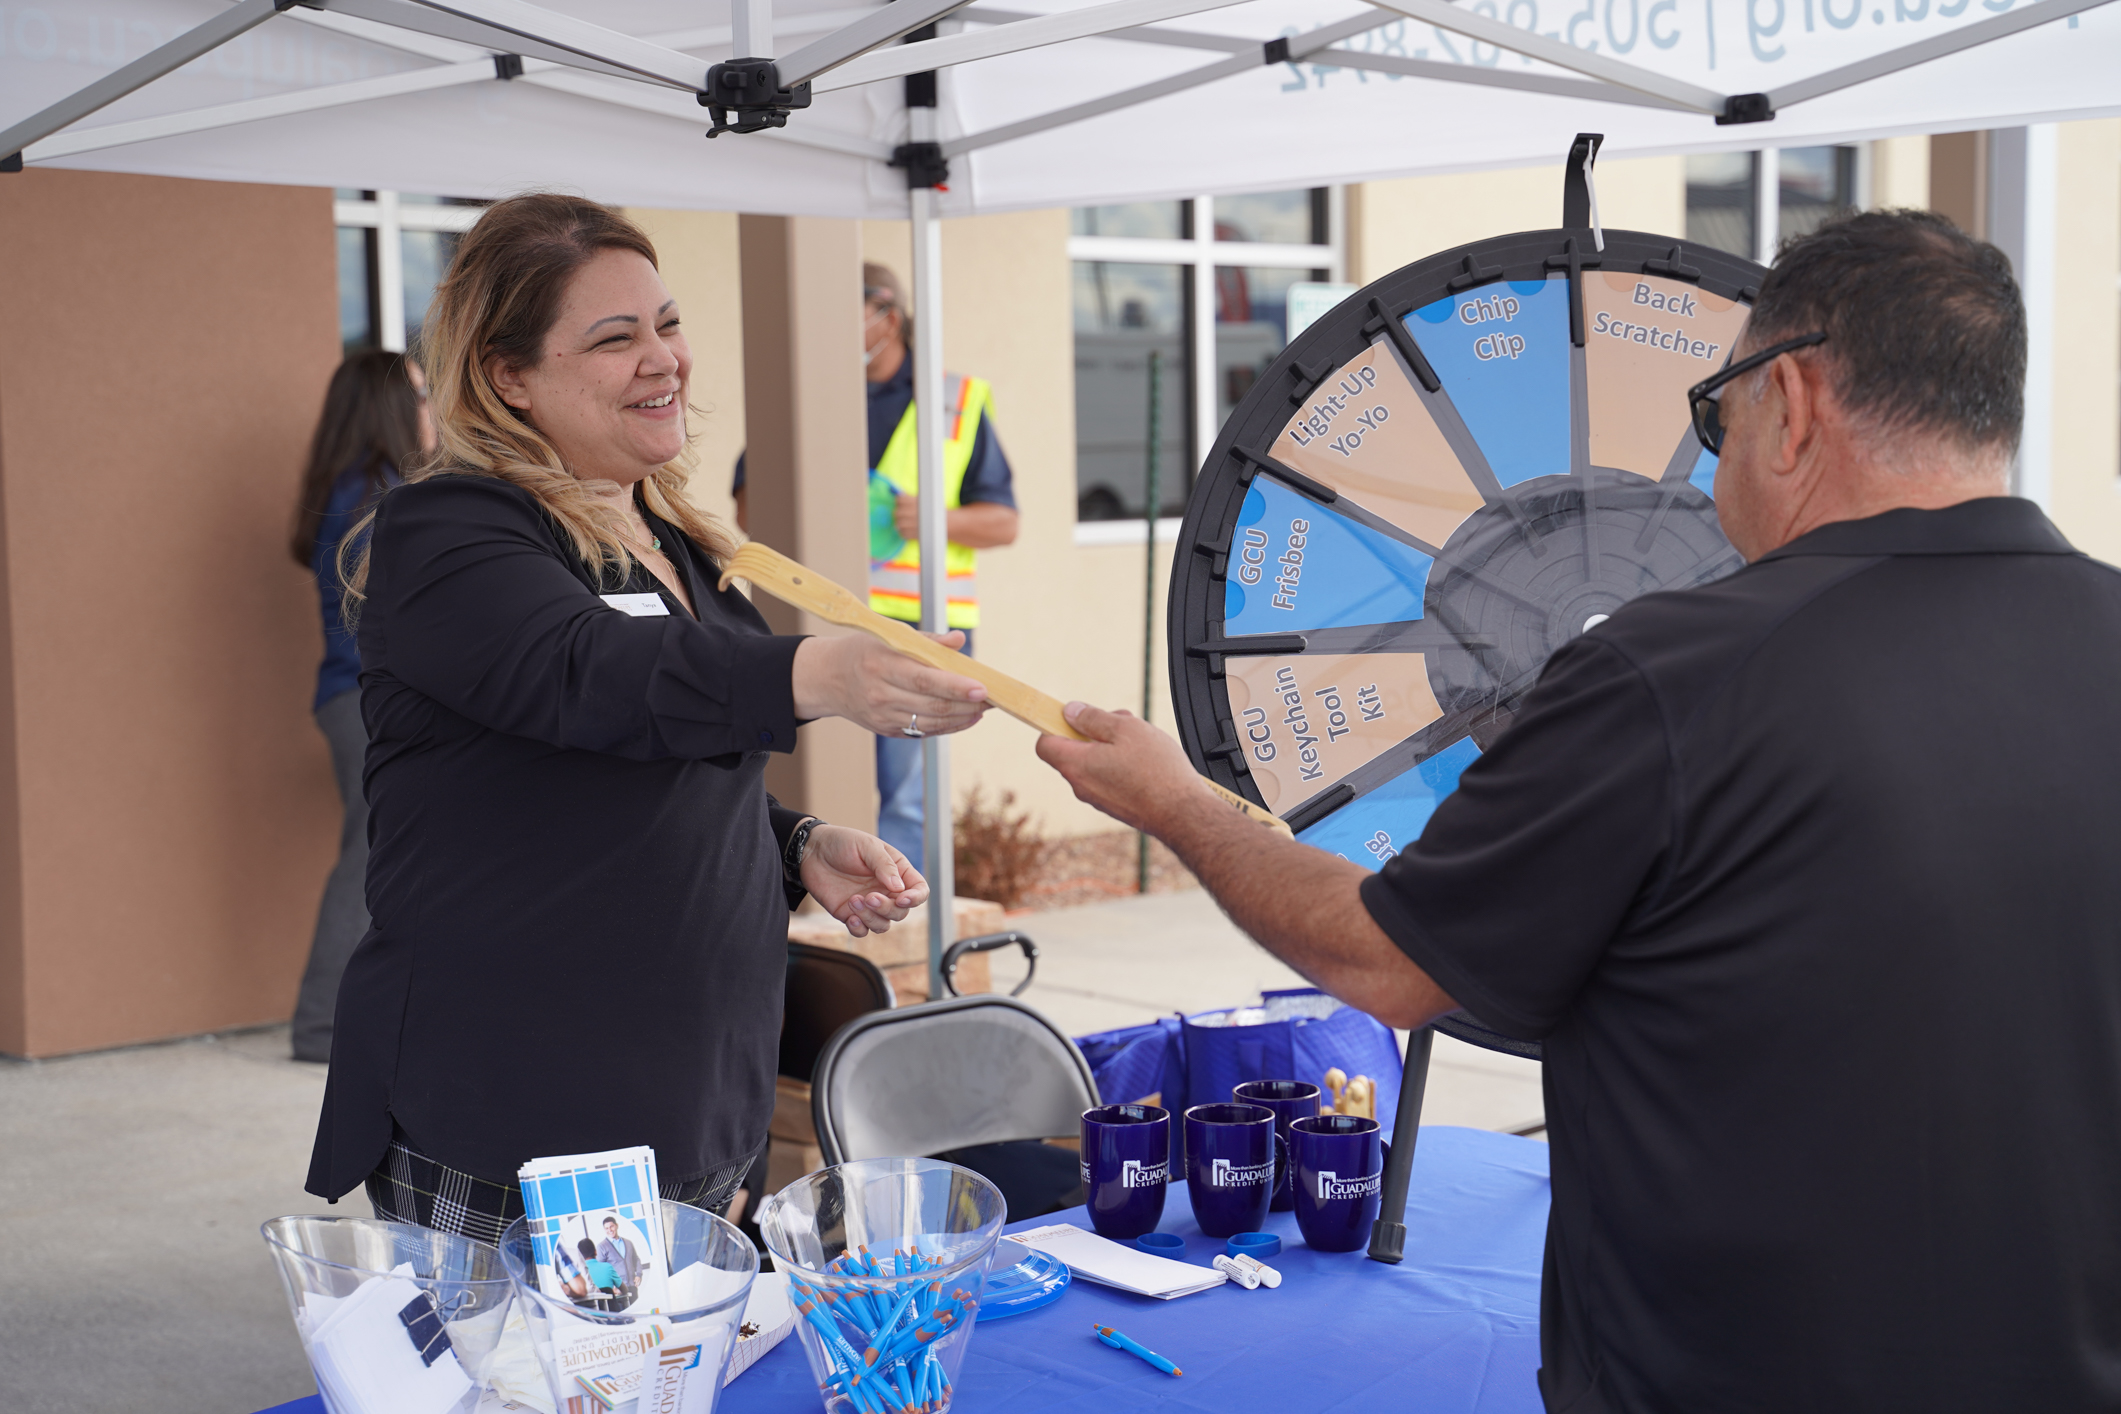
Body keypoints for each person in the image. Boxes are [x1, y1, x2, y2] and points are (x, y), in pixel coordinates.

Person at [1039, 210, 2121, 1411]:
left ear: (1795, 401)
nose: (1711, 474)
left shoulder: (1675, 672)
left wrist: (1181, 805)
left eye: (1720, 418)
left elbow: (1393, 964)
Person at [303, 194, 992, 1243]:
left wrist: (793, 842)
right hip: (524, 1115)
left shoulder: (672, 529)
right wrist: (816, 672)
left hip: (699, 1104)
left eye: (667, 324)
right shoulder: (448, 528)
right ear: (508, 374)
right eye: (615, 337)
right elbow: (589, 676)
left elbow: (639, 765)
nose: (663, 357)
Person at [733, 262, 1019, 870]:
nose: (834, 329)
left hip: (921, 625)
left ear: (887, 316)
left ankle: (901, 908)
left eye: (847, 313)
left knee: (906, 796)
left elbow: (1004, 520)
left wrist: (937, 520)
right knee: (808, 778)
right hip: (821, 624)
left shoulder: (954, 402)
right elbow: (749, 505)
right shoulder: (811, 396)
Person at [286, 350, 435, 1064]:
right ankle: (319, 1026)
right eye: (420, 394)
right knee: (369, 855)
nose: (430, 406)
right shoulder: (376, 495)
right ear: (387, 408)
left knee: (387, 853)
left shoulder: (366, 488)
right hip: (364, 699)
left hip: (353, 697)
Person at [596, 1215, 642, 1291]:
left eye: (611, 1226)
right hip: (617, 1289)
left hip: (632, 1285)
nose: (610, 1230)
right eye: (606, 1228)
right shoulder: (602, 1246)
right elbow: (601, 1270)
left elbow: (636, 1259)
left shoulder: (628, 1243)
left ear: (617, 1226)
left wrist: (639, 1275)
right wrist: (610, 1286)